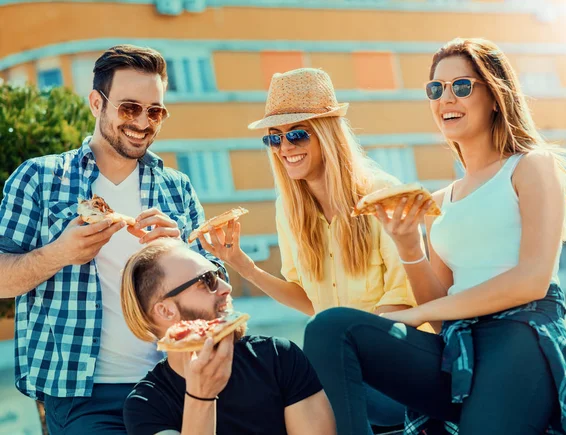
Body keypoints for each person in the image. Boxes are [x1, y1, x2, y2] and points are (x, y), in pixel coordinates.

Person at [302, 38, 566, 435]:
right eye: (435, 89)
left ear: (494, 97)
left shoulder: (530, 166)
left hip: (522, 337)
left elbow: (532, 280)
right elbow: (443, 312)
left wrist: (417, 314)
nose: (446, 98)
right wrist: (409, 248)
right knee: (329, 328)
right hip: (459, 347)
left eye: (461, 86)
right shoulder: (441, 200)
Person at [0, 45, 224, 434]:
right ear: (95, 104)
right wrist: (60, 253)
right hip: (82, 396)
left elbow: (219, 292)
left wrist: (187, 257)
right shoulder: (40, 178)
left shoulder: (176, 187)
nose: (142, 121)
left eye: (155, 111)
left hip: (174, 381)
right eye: (128, 107)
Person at [201, 67, 423, 429]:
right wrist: (243, 265)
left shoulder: (381, 194)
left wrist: (346, 352)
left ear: (326, 135)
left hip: (399, 372)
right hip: (343, 368)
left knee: (308, 368)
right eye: (274, 138)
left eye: (297, 134)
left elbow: (404, 294)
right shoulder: (289, 211)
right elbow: (310, 301)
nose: (285, 148)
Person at [120, 238, 336, 435]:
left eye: (218, 273)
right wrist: (201, 397)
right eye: (206, 280)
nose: (226, 287)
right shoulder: (147, 405)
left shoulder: (279, 357)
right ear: (166, 311)